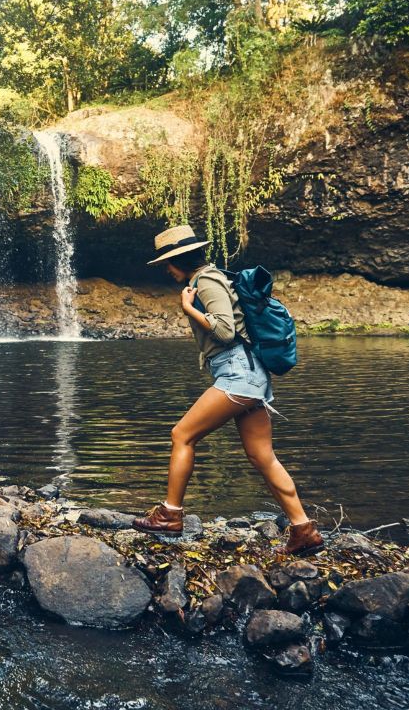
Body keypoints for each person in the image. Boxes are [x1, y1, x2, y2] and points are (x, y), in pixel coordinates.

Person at [131, 224, 324, 558]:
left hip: (238, 373)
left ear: (183, 259)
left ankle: (170, 515)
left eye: (168, 262)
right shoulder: (209, 278)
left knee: (182, 435)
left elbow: (225, 330)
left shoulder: (205, 281)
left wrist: (189, 309)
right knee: (262, 456)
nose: (166, 268)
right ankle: (303, 530)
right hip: (248, 373)